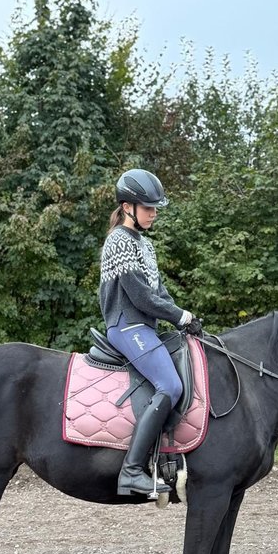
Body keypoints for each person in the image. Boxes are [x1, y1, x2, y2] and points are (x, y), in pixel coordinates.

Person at [99, 169, 199, 496]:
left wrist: (185, 319)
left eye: (155, 208)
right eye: (148, 208)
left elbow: (159, 293)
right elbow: (141, 297)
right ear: (127, 207)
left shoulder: (145, 245)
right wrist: (179, 316)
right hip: (126, 326)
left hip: (144, 328)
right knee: (170, 385)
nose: (154, 213)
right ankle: (130, 472)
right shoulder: (119, 241)